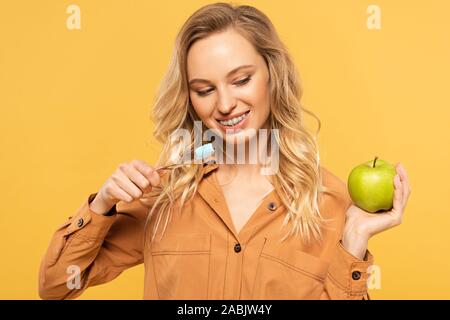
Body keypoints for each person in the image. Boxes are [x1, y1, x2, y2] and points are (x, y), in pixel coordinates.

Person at [38, 2, 411, 300]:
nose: (225, 104)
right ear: (190, 99)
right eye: (204, 89)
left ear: (272, 74)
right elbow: (55, 285)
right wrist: (102, 204)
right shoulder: (164, 195)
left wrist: (355, 242)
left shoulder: (329, 202)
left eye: (241, 80)